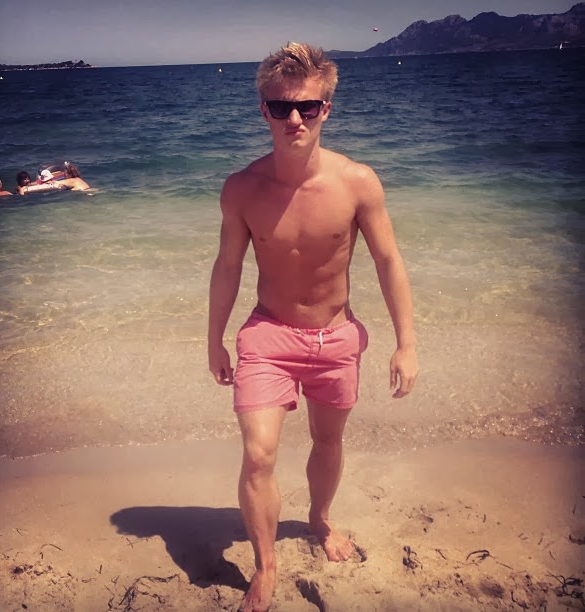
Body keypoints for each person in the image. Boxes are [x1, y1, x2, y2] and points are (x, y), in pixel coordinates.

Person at [207, 42, 419, 612]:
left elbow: (388, 262)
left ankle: (320, 520)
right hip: (268, 335)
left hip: (336, 336)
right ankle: (266, 566)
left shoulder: (358, 182)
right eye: (281, 107)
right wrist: (215, 339)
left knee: (328, 442)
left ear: (327, 107)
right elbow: (227, 267)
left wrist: (406, 344)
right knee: (258, 454)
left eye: (307, 106)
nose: (294, 119)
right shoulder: (242, 188)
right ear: (264, 110)